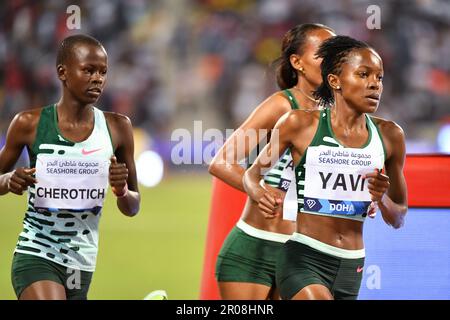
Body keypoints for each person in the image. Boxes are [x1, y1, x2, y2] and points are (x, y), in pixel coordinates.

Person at [243, 35, 408, 300]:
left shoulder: (390, 136)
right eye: (364, 74)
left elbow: (399, 217)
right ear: (334, 81)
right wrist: (260, 193)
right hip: (303, 256)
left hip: (351, 264)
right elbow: (252, 176)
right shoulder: (299, 124)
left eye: (380, 78)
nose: (374, 85)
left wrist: (382, 198)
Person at [0, 34, 140, 300]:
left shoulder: (118, 128)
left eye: (103, 72)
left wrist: (121, 190)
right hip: (36, 253)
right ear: (62, 73)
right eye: (88, 70)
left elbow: (133, 207)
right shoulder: (29, 123)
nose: (98, 78)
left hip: (81, 262)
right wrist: (9, 181)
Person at [208, 23, 336, 300]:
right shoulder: (281, 105)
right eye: (322, 55)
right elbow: (221, 162)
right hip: (254, 251)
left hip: (304, 254)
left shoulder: (339, 114)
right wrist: (257, 189)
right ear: (297, 62)